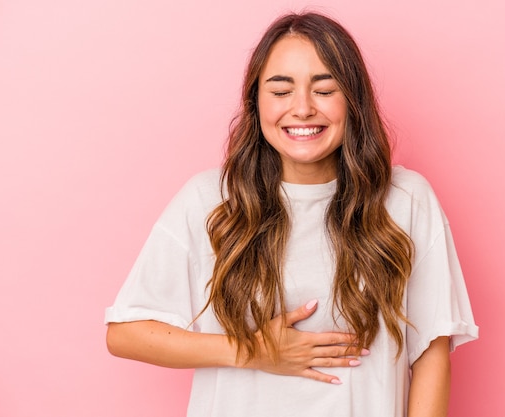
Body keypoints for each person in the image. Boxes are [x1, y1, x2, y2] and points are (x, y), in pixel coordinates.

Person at [105, 11, 478, 417]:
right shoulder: (210, 200)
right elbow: (126, 333)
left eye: (324, 89)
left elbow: (431, 353)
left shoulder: (406, 201)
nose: (301, 109)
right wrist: (254, 351)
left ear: (353, 99)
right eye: (281, 91)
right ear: (255, 101)